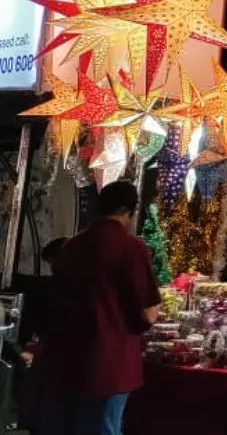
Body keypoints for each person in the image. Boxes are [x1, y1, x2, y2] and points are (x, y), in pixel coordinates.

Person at [39, 181, 161, 435]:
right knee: (103, 426)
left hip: (67, 357)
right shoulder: (131, 247)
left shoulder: (71, 246)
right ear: (129, 211)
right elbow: (147, 313)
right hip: (110, 361)